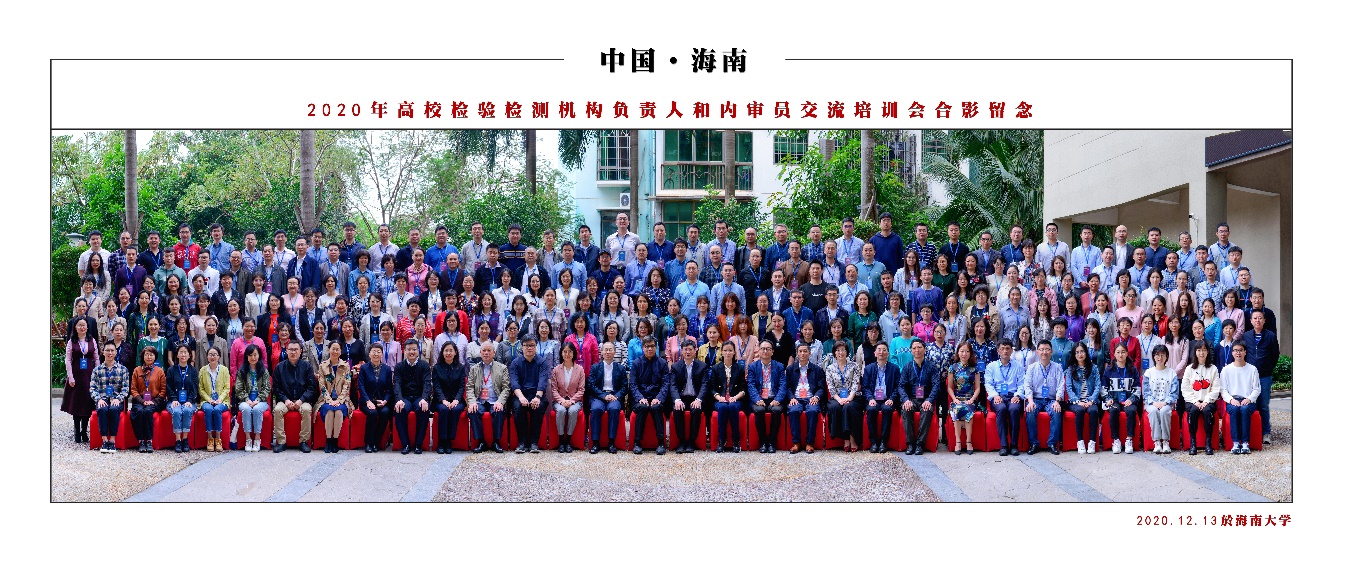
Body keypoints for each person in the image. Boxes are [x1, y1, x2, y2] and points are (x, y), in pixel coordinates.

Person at [1242, 309, 1279, 445]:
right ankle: (1252, 432)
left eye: (1260, 318)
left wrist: (1268, 367)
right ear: (1251, 321)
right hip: (1250, 377)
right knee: (1251, 404)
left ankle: (1266, 432)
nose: (1257, 320)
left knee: (1263, 405)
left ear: (1264, 320)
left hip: (1264, 376)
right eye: (1255, 318)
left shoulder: (1270, 336)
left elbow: (1275, 355)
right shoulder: (1246, 336)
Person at [1021, 340, 1065, 455]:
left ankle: (1052, 443)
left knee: (1056, 411)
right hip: (1036, 399)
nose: (1044, 352)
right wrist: (1030, 401)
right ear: (1037, 352)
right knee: (1030, 411)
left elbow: (1061, 386)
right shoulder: (1032, 368)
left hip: (1052, 400)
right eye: (1041, 349)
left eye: (1047, 349)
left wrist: (1057, 401)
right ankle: (1034, 444)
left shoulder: (1057, 367)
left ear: (1051, 352)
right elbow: (1027, 386)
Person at [272, 340, 317, 453]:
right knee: (277, 410)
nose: (293, 352)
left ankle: (303, 441)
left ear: (300, 351)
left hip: (302, 400)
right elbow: (276, 388)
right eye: (291, 350)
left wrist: (301, 400)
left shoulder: (307, 366)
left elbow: (311, 388)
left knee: (306, 410)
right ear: (286, 351)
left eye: (296, 350)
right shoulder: (279, 367)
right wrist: (286, 400)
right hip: (285, 400)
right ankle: (281, 442)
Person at [630, 337, 670, 455]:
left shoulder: (662, 363)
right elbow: (633, 384)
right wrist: (640, 398)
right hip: (640, 397)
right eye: (647, 346)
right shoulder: (636, 363)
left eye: (652, 346)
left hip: (656, 396)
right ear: (643, 348)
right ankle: (637, 442)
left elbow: (665, 384)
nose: (650, 349)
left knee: (656, 407)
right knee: (642, 407)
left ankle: (661, 443)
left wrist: (659, 398)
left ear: (656, 347)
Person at [61, 317, 99, 444]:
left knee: (87, 403)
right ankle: (77, 431)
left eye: (84, 325)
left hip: (89, 375)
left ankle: (84, 431)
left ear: (87, 327)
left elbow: (96, 358)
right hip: (76, 375)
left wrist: (98, 374)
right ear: (75, 328)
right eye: (79, 325)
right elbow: (68, 360)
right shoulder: (71, 341)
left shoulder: (92, 340)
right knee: (76, 404)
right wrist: (70, 377)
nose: (82, 327)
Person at [898, 339, 940, 454]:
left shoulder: (932, 366)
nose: (917, 350)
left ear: (925, 349)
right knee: (906, 410)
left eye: (919, 347)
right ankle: (910, 444)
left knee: (927, 410)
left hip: (926, 399)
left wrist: (929, 400)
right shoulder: (907, 367)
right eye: (914, 348)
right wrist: (906, 400)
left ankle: (920, 444)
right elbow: (901, 386)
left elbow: (936, 385)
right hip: (911, 398)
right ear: (911, 351)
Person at [509, 336, 549, 453]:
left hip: (537, 394)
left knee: (538, 408)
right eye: (526, 345)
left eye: (532, 345)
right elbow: (514, 382)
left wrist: (537, 397)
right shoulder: (515, 363)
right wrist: (521, 397)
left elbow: (543, 381)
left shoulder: (542, 362)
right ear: (522, 347)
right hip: (520, 394)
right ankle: (522, 443)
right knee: (518, 407)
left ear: (536, 346)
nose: (529, 348)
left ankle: (534, 443)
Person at [669, 340, 710, 454]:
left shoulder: (702, 366)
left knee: (696, 410)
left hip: (695, 397)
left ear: (695, 350)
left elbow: (704, 385)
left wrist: (699, 399)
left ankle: (692, 442)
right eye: (685, 349)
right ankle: (682, 441)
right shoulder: (675, 366)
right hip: (681, 398)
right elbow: (673, 385)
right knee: (678, 409)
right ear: (682, 351)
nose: (688, 352)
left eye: (690, 349)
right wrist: (677, 399)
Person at [985, 339, 1024, 455]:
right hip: (998, 396)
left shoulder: (1018, 366)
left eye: (1007, 349)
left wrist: (1017, 395)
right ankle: (1004, 445)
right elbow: (988, 384)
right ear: (998, 351)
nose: (1005, 351)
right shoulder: (991, 366)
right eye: (1002, 349)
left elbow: (1022, 384)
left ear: (1012, 351)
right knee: (1001, 409)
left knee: (1014, 409)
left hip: (1013, 396)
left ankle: (1014, 445)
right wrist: (995, 395)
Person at [587, 341, 628, 454]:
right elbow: (591, 385)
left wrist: (616, 396)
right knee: (596, 409)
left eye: (610, 350)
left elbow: (624, 387)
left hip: (614, 396)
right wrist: (604, 396)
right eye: (606, 350)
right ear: (601, 352)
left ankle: (611, 442)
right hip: (599, 396)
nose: (608, 352)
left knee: (614, 409)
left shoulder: (620, 368)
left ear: (615, 352)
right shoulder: (595, 367)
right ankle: (595, 443)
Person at [745, 340, 786, 453]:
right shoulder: (753, 366)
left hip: (774, 398)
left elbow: (783, 385)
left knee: (777, 410)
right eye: (763, 349)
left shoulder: (779, 366)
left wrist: (777, 399)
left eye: (768, 349)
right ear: (759, 351)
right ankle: (762, 442)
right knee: (759, 410)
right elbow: (751, 385)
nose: (765, 351)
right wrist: (757, 399)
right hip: (759, 399)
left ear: (772, 351)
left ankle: (772, 442)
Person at [391, 339, 431, 454]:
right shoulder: (399, 367)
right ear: (405, 351)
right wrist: (399, 399)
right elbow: (397, 384)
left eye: (414, 349)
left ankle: (418, 444)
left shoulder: (424, 366)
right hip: (405, 398)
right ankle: (406, 444)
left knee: (424, 409)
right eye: (409, 349)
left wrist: (424, 398)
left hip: (419, 397)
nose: (411, 352)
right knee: (399, 409)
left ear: (418, 351)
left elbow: (427, 384)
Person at [1220, 342, 1260, 454]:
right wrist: (1231, 400)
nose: (1238, 353)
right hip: (1233, 399)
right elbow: (1223, 389)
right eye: (1236, 350)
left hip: (1248, 400)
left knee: (1245, 409)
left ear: (1245, 352)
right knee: (1235, 409)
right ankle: (1236, 443)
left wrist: (1249, 399)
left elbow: (1256, 389)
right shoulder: (1226, 370)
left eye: (1241, 350)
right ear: (1232, 353)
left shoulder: (1252, 369)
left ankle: (1245, 443)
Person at [1102, 343, 1142, 454]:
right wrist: (1107, 399)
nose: (1120, 355)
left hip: (1128, 400)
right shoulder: (1109, 370)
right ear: (1114, 354)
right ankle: (1116, 440)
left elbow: (1137, 388)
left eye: (1123, 352)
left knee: (1132, 410)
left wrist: (1132, 399)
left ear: (1127, 353)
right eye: (1118, 352)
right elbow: (1103, 388)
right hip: (1114, 400)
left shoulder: (1132, 369)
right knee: (1113, 410)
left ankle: (1129, 440)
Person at [709, 339, 748, 453]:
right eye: (725, 350)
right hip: (720, 399)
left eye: (730, 350)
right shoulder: (716, 368)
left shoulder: (739, 368)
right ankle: (722, 440)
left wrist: (735, 397)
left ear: (734, 352)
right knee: (722, 407)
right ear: (721, 352)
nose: (727, 353)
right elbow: (712, 388)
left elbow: (743, 388)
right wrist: (719, 397)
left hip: (735, 399)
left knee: (732, 406)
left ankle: (736, 440)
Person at [861, 341, 901, 453]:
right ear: (875, 353)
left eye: (884, 350)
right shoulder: (868, 369)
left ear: (888, 353)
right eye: (879, 350)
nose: (881, 352)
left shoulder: (894, 369)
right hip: (873, 399)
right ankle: (874, 442)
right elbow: (865, 387)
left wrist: (892, 399)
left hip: (887, 399)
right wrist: (870, 399)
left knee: (887, 409)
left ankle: (884, 442)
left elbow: (898, 387)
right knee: (871, 410)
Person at [825, 340, 864, 452]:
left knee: (848, 407)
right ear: (834, 353)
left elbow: (855, 384)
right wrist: (839, 399)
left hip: (854, 396)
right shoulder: (830, 368)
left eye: (843, 350)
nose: (840, 353)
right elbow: (831, 387)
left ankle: (852, 438)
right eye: (838, 350)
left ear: (847, 352)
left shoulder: (854, 366)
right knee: (835, 407)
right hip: (837, 397)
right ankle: (845, 438)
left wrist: (849, 398)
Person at [91, 341, 130, 453]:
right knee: (103, 409)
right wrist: (98, 399)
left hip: (116, 400)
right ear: (103, 352)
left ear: (116, 352)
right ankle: (104, 441)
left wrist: (118, 398)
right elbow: (92, 388)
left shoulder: (123, 369)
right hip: (102, 399)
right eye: (107, 350)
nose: (110, 353)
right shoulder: (97, 370)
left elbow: (126, 388)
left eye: (112, 350)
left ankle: (112, 441)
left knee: (113, 409)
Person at [314, 340, 352, 454]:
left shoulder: (346, 366)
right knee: (330, 411)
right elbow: (322, 385)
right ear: (329, 350)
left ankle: (335, 441)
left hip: (342, 399)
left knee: (339, 411)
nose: (335, 351)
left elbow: (347, 385)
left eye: (337, 349)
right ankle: (328, 441)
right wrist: (330, 400)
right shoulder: (323, 366)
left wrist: (339, 400)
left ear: (340, 351)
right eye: (333, 349)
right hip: (326, 399)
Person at [549, 342, 586, 453]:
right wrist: (561, 401)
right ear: (561, 353)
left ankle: (568, 440)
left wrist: (571, 401)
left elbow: (581, 390)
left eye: (570, 351)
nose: (567, 354)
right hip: (559, 400)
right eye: (565, 351)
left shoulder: (580, 369)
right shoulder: (556, 370)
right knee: (561, 411)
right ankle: (561, 441)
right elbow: (554, 389)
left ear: (574, 353)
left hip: (575, 400)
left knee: (573, 411)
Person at [1064, 343, 1101, 454]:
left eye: (1082, 351)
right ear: (1074, 355)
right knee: (1079, 411)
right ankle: (1080, 441)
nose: (1080, 354)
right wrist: (1077, 401)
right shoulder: (1070, 369)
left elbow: (1098, 386)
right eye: (1077, 352)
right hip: (1076, 401)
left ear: (1086, 352)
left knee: (1094, 411)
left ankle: (1092, 442)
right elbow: (1068, 388)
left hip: (1090, 400)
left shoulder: (1093, 368)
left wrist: (1091, 400)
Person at [945, 342, 981, 455]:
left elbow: (978, 388)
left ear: (970, 353)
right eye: (961, 351)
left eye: (967, 351)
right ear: (958, 353)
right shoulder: (953, 368)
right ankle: (958, 442)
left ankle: (969, 441)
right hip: (957, 399)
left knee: (967, 408)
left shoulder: (974, 368)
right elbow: (949, 387)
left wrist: (972, 399)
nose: (964, 354)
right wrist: (954, 399)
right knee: (957, 409)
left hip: (970, 399)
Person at [233, 344, 270, 452]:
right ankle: (248, 439)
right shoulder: (242, 371)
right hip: (245, 400)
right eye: (250, 355)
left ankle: (257, 439)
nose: (253, 358)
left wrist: (258, 399)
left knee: (257, 409)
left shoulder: (264, 371)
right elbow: (239, 388)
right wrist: (247, 399)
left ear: (259, 356)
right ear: (246, 356)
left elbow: (267, 388)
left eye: (255, 355)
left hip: (261, 401)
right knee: (246, 408)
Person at [129, 347, 166, 453]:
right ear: (143, 356)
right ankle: (141, 441)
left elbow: (163, 390)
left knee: (148, 411)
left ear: (155, 357)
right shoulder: (137, 370)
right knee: (139, 411)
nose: (149, 357)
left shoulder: (159, 371)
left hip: (155, 401)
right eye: (146, 354)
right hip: (140, 400)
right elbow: (133, 389)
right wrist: (142, 401)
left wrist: (153, 402)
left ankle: (149, 441)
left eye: (151, 355)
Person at [197, 346, 231, 452]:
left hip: (222, 400)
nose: (212, 357)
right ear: (207, 357)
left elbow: (227, 387)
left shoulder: (224, 370)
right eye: (210, 355)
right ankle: (210, 438)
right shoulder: (203, 370)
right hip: (206, 400)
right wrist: (208, 399)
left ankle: (218, 438)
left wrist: (220, 399)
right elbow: (201, 388)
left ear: (219, 356)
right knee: (208, 409)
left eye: (215, 354)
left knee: (217, 409)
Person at [164, 346, 198, 452]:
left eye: (185, 352)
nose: (183, 355)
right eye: (181, 352)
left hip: (188, 401)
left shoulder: (193, 370)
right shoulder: (171, 370)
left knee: (187, 410)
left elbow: (195, 388)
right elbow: (168, 387)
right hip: (173, 401)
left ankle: (185, 439)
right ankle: (178, 440)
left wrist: (190, 400)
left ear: (189, 355)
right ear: (177, 355)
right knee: (177, 411)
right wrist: (174, 399)